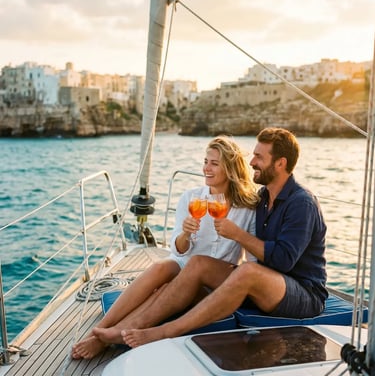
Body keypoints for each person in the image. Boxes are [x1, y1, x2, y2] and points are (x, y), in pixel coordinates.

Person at [120, 127, 328, 348]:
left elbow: (283, 260)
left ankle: (164, 331)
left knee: (247, 271)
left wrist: (237, 235)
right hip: (265, 283)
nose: (252, 162)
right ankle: (119, 330)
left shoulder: (301, 203)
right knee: (197, 264)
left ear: (280, 163)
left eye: (259, 157)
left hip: (303, 293)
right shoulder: (263, 197)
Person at [71, 135, 259, 359]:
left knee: (164, 289)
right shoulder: (192, 198)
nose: (206, 168)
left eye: (214, 163)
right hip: (184, 265)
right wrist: (187, 234)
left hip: (214, 281)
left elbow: (252, 260)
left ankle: (107, 338)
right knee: (163, 267)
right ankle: (101, 329)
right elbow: (179, 249)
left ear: (230, 169)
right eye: (205, 161)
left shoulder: (248, 208)